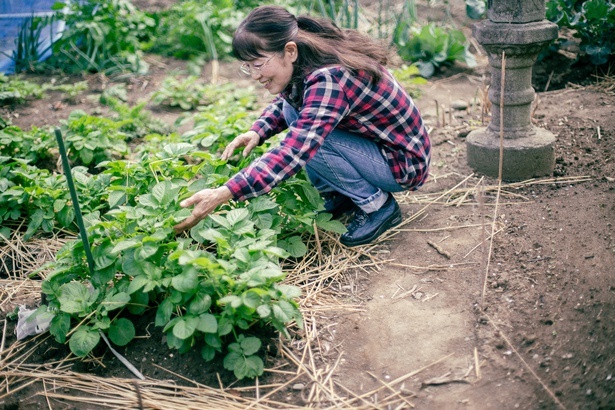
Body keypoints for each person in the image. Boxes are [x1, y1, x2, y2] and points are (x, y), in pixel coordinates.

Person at [174, 5, 431, 247]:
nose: (255, 75)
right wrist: (258, 130)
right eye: (248, 66)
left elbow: (294, 150)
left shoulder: (330, 78)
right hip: (377, 149)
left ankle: (378, 207)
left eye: (259, 64)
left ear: (290, 51)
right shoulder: (310, 60)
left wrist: (226, 191)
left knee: (312, 140)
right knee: (292, 110)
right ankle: (340, 194)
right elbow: (290, 102)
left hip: (401, 163)